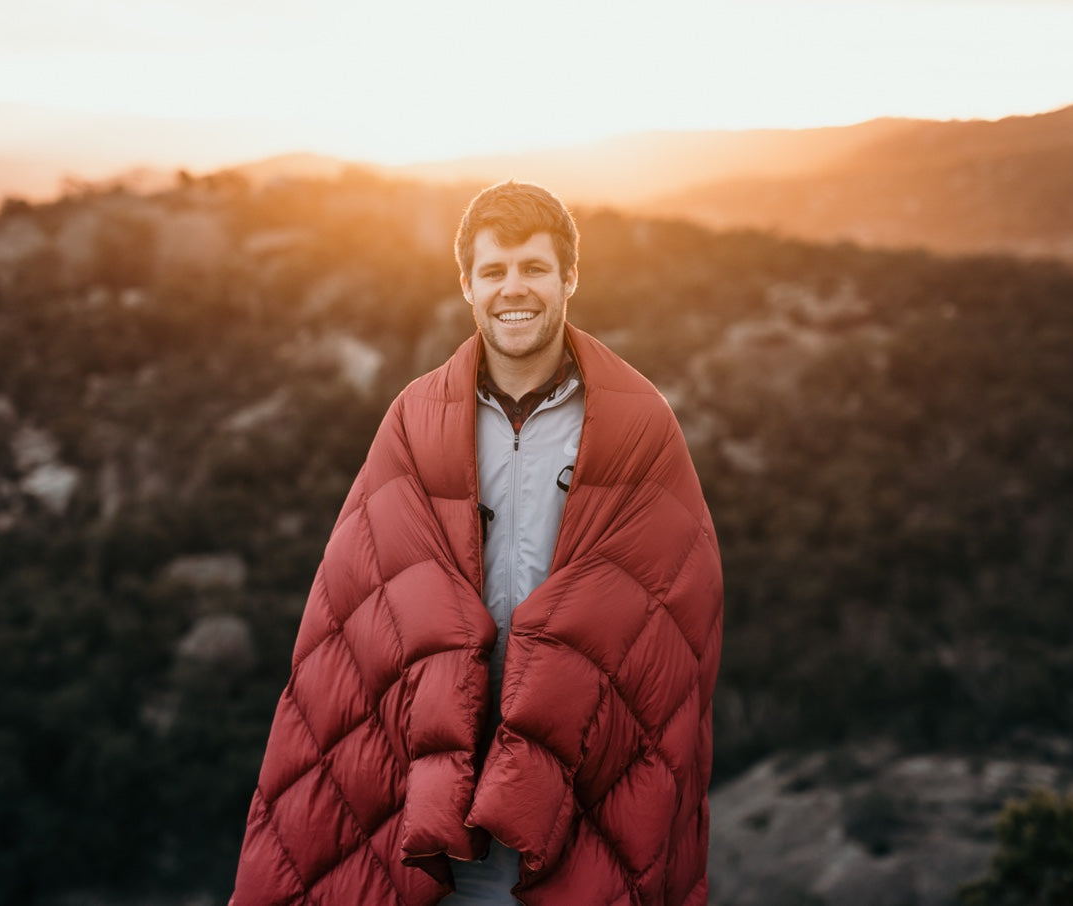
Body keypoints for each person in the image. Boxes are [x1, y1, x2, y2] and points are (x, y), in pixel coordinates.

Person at [229, 181, 723, 905]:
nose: (512, 289)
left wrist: (565, 661)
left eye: (533, 269)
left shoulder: (637, 423)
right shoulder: (415, 419)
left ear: (569, 278)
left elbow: (675, 616)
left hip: (573, 795)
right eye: (493, 272)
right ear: (466, 285)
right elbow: (355, 607)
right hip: (435, 800)